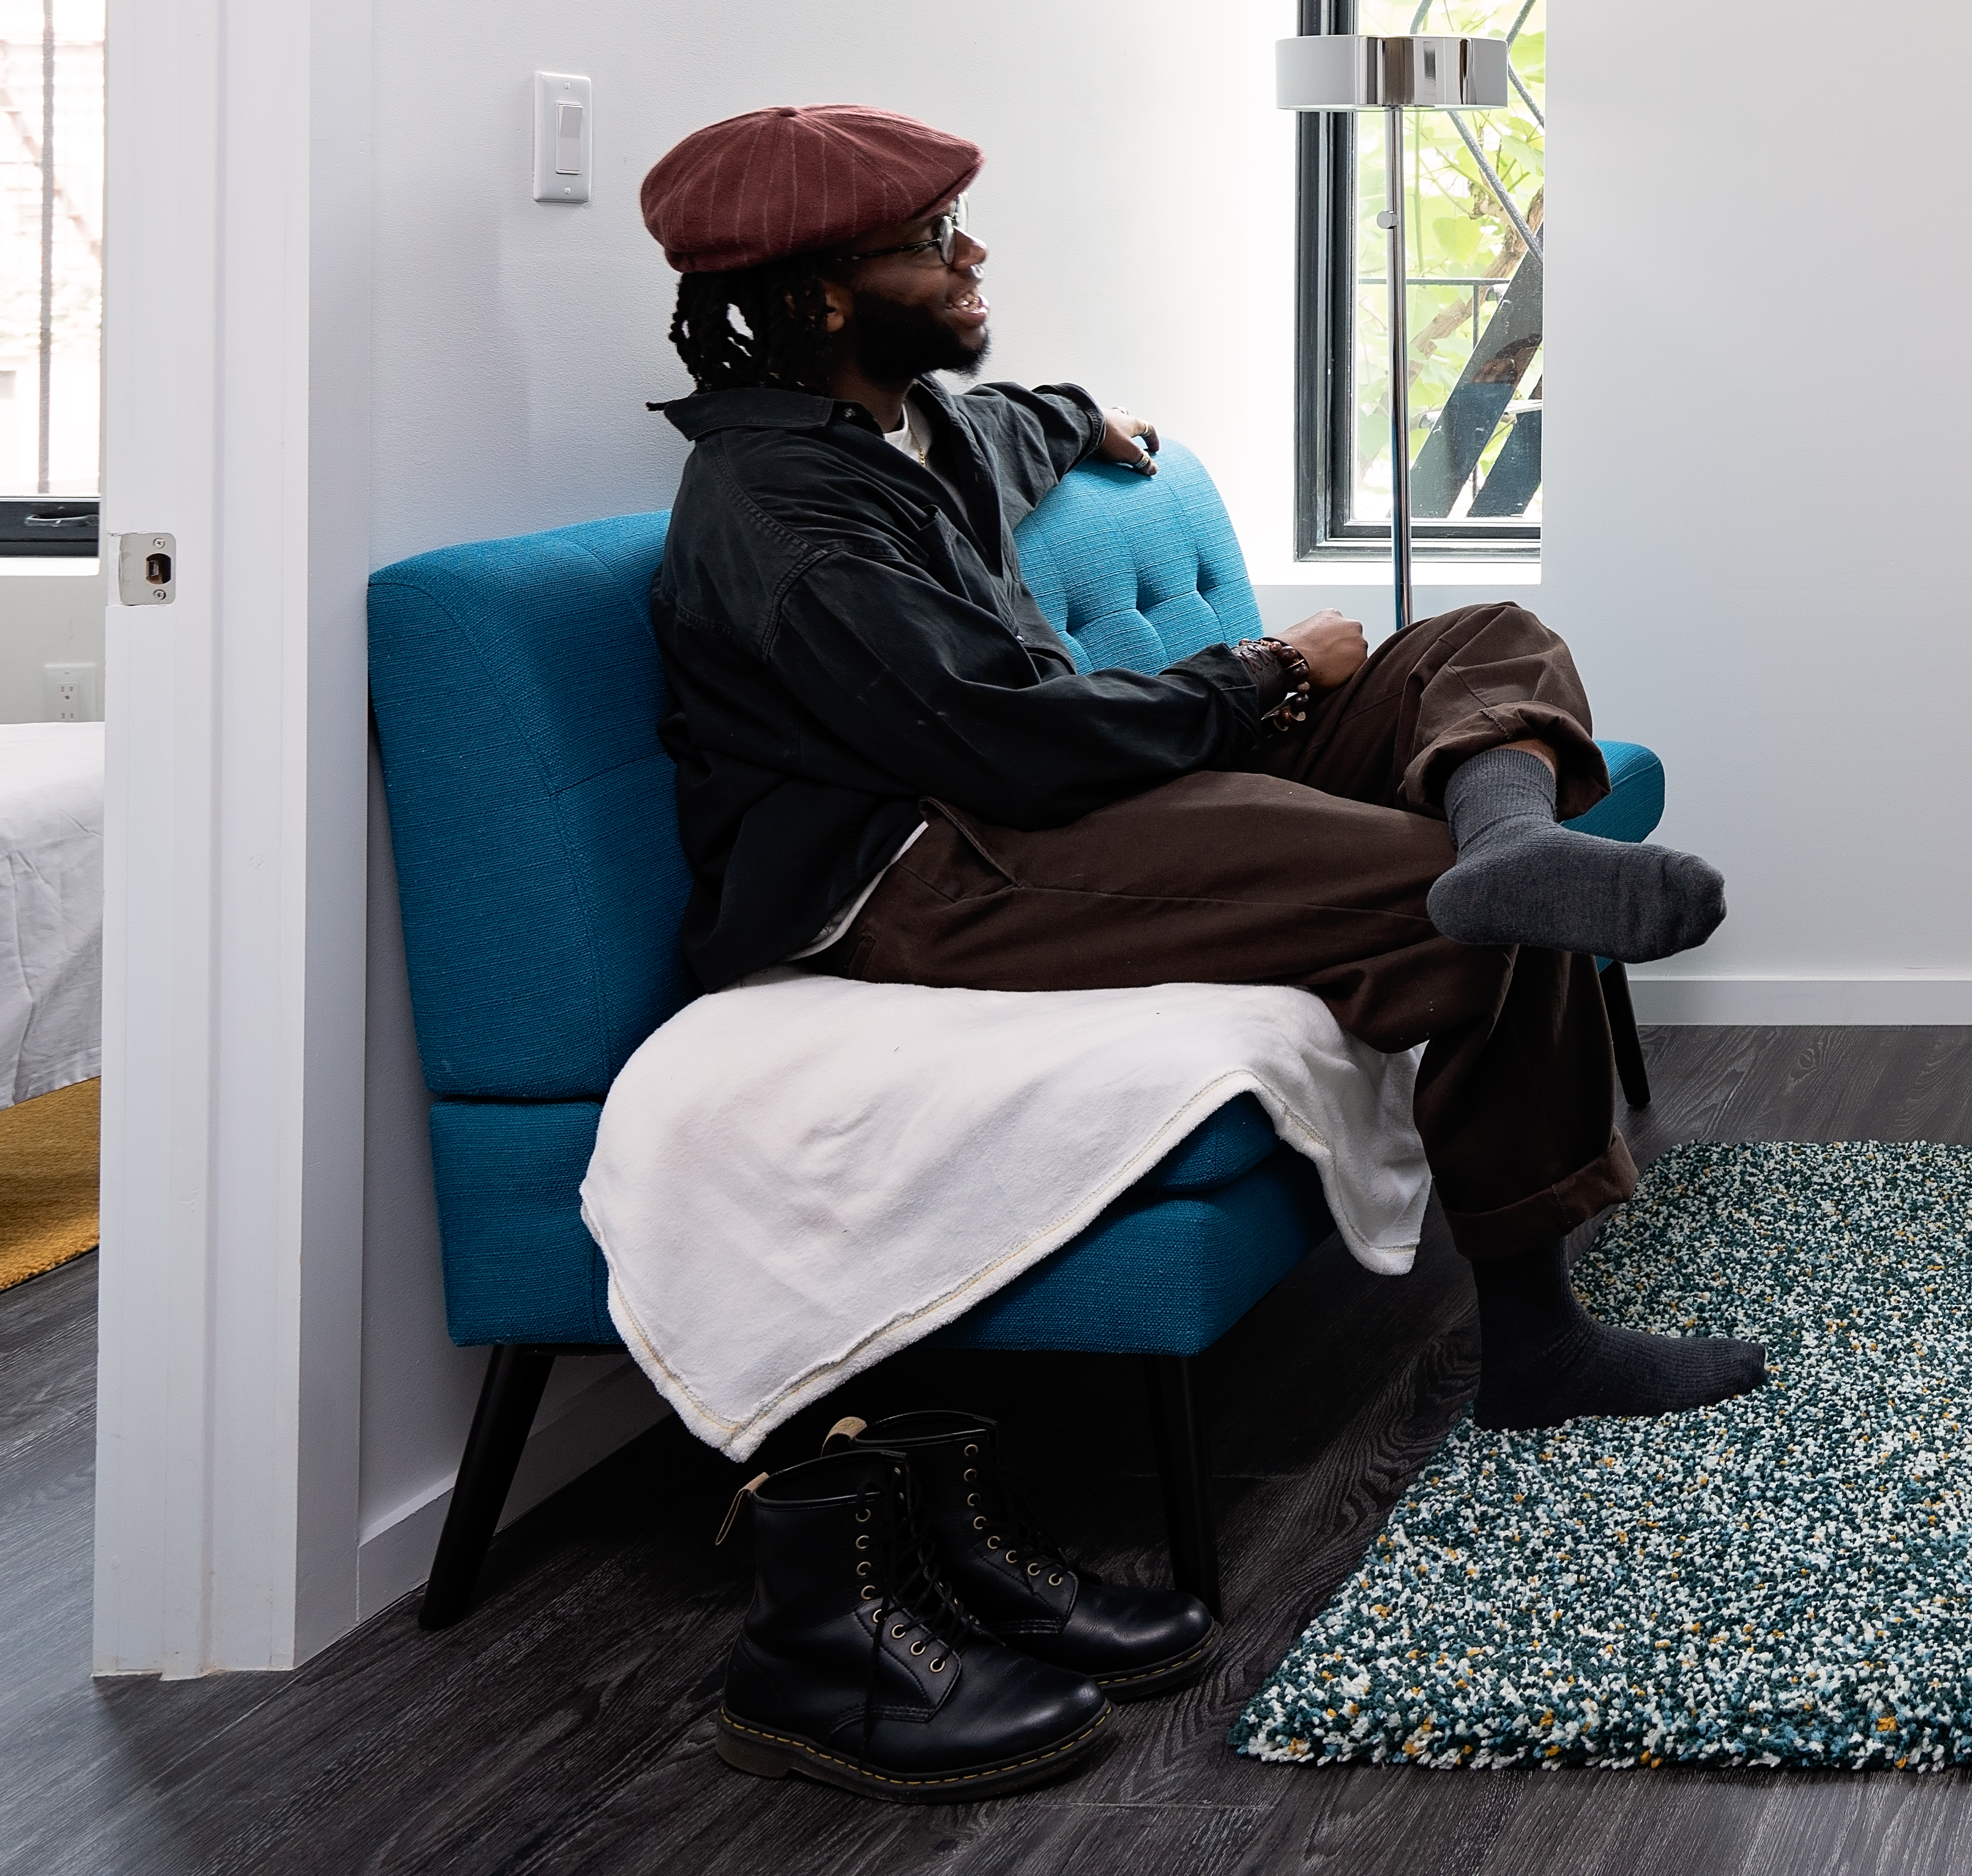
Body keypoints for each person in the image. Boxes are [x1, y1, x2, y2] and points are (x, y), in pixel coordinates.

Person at [639, 104, 1757, 1426]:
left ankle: (1512, 841)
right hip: (931, 858)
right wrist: (1269, 673)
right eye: (933, 241)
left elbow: (1011, 425)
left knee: (1488, 640)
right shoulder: (784, 519)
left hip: (1069, 773)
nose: (973, 253)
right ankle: (1537, 1348)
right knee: (1427, 889)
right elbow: (1004, 746)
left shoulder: (909, 424)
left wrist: (1085, 417)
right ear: (821, 301)